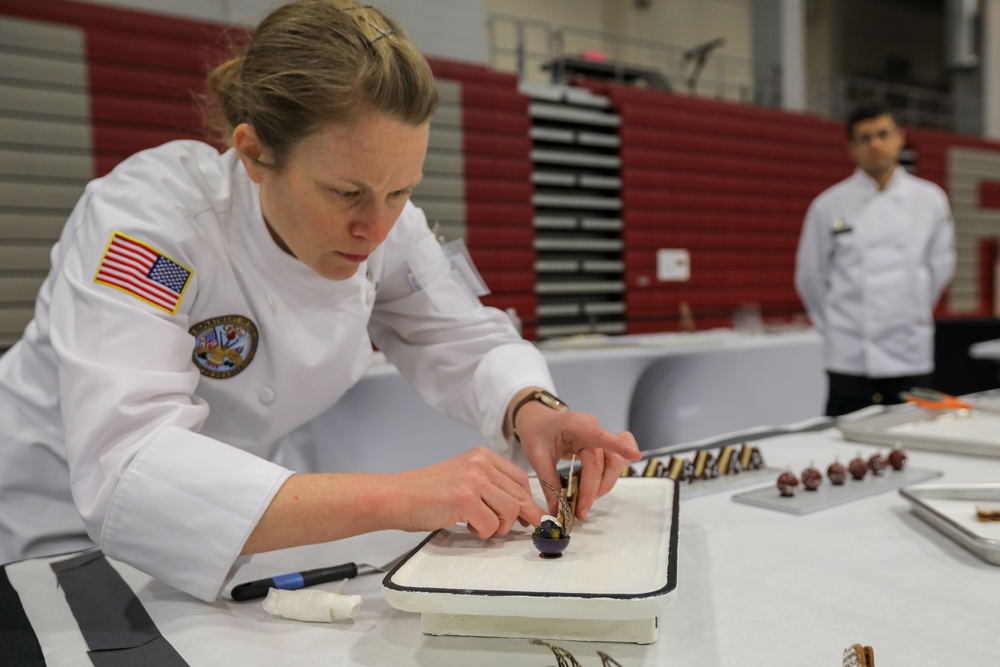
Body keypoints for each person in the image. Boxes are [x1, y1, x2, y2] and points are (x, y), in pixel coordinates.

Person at [0, 0, 640, 602]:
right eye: (344, 193)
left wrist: (533, 408)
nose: (378, 227)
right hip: (48, 531)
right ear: (254, 153)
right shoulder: (156, 229)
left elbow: (457, 335)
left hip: (224, 531)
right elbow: (128, 465)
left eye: (400, 192)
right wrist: (401, 496)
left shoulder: (393, 230)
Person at [795, 103, 955, 417]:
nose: (876, 145)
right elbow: (810, 277)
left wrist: (912, 311)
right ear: (851, 147)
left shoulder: (930, 200)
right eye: (865, 138)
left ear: (900, 138)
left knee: (913, 446)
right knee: (844, 454)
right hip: (850, 357)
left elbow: (940, 269)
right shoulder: (828, 205)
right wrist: (837, 328)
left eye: (883, 134)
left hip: (909, 352)